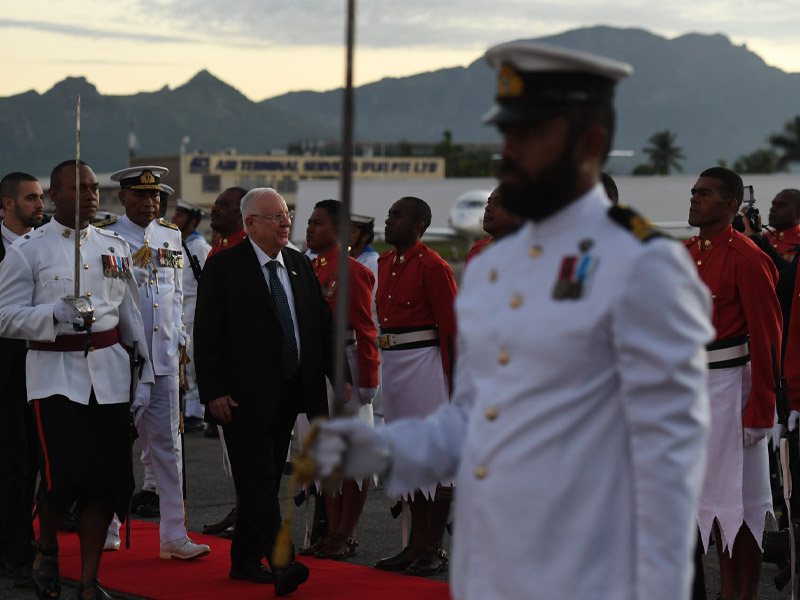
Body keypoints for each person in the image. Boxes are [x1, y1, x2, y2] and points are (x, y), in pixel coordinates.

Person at [306, 40, 714, 600]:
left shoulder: (644, 266)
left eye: (532, 137)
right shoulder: (497, 267)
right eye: (509, 137)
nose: (512, 155)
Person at [0, 160, 155, 600]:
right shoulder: (28, 251)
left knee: (105, 483)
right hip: (53, 377)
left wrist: (142, 373)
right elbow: (4, 316)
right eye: (80, 188)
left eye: (93, 188)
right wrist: (52, 314)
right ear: (54, 195)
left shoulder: (114, 246)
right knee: (60, 478)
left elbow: (130, 314)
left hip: (108, 374)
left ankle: (89, 580)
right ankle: (46, 545)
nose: (91, 195)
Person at [194, 187, 337, 596]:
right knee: (256, 481)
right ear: (250, 224)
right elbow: (207, 336)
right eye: (275, 216)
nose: (285, 222)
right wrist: (214, 391)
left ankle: (243, 561)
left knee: (267, 476)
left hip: (288, 393)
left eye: (287, 214)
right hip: (240, 398)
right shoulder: (224, 267)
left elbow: (320, 326)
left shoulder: (297, 263)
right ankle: (283, 561)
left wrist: (338, 374)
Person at [98, 166, 210, 560]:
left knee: (168, 448)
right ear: (123, 198)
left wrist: (179, 339)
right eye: (141, 196)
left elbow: (176, 295)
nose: (150, 203)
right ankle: (109, 526)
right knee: (114, 446)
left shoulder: (170, 235)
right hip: (122, 358)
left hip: (162, 358)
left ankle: (174, 535)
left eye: (156, 197)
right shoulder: (105, 236)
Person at [686, 167, 782, 600]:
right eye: (693, 192)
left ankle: (739, 593)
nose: (694, 199)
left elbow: (767, 336)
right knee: (707, 502)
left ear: (730, 206)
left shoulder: (747, 255)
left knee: (736, 505)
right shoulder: (686, 254)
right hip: (692, 390)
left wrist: (761, 407)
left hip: (731, 389)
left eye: (704, 194)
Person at [371, 195, 458, 576]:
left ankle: (433, 547)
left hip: (425, 366)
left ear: (419, 226)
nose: (388, 221)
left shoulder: (433, 265)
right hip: (395, 365)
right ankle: (413, 545)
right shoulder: (385, 262)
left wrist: (456, 387)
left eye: (398, 216)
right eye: (389, 214)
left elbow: (452, 332)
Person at [300, 199, 379, 560]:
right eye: (310, 222)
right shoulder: (306, 267)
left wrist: (368, 378)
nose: (309, 228)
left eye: (318, 223)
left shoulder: (352, 272)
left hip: (345, 363)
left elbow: (366, 328)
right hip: (313, 366)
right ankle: (330, 532)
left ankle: (346, 533)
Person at [0, 172, 44, 584]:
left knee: (34, 463)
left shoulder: (47, 244)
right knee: (13, 465)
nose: (40, 205)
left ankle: (20, 541)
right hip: (6, 375)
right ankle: (15, 552)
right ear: (8, 204)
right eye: (31, 198)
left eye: (41, 197)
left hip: (44, 371)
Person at [171, 198, 212, 432]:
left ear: (192, 220)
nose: (175, 219)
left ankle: (198, 412)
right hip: (183, 306)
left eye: (180, 215)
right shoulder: (180, 243)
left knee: (194, 359)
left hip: (196, 305)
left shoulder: (199, 247)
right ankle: (191, 410)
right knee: (184, 359)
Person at [464, 185, 523, 265]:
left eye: (498, 203)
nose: (487, 208)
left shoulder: (534, 255)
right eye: (489, 202)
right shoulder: (477, 251)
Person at [207, 187, 247, 257]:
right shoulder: (216, 249)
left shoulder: (248, 247)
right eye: (216, 204)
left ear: (241, 215)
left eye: (223, 205)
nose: (214, 209)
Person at [765, 189, 800, 261]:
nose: (772, 209)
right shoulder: (765, 237)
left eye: (781, 205)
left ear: (798, 213)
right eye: (773, 204)